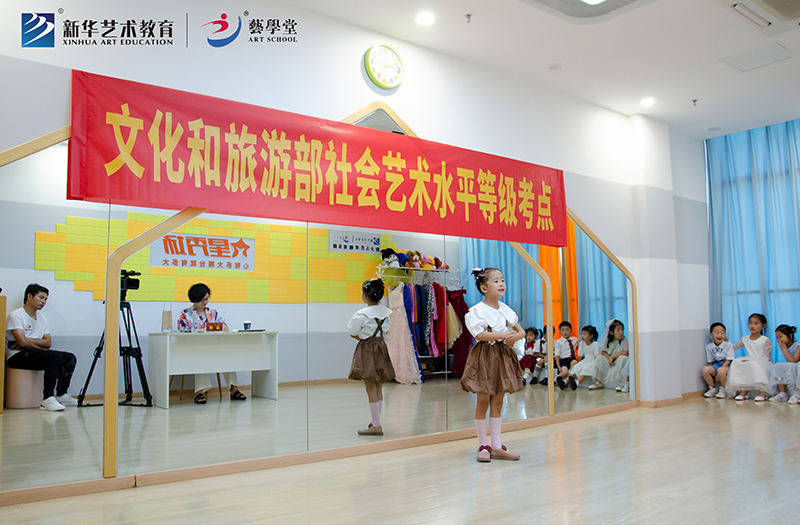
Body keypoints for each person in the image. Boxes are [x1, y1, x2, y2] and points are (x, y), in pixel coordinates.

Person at [461, 268, 525, 462]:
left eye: (502, 280)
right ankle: (483, 445)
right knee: (483, 400)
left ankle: (496, 446)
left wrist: (516, 336)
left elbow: (521, 331)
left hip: (502, 356)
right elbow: (480, 335)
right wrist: (505, 335)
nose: (501, 284)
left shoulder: (505, 309)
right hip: (486, 356)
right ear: (483, 288)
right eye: (496, 281)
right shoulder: (477, 311)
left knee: (498, 400)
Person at [5, 284, 78, 411]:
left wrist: (29, 341)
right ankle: (48, 398)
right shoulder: (16, 315)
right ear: (29, 296)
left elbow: (48, 343)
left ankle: (61, 394)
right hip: (16, 356)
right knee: (54, 357)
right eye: (41, 297)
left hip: (33, 353)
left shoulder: (42, 319)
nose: (43, 302)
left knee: (69, 358)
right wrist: (34, 345)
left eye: (45, 299)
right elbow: (22, 343)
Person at [177, 283, 246, 404]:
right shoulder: (186, 313)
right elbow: (181, 331)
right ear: (194, 299)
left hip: (214, 347)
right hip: (195, 348)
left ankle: (234, 390)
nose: (205, 302)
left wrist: (217, 327)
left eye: (207, 299)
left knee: (228, 356)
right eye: (202, 300)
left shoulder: (212, 312)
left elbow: (225, 327)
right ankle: (199, 392)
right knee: (201, 356)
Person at [347, 278, 395, 436]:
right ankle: (375, 421)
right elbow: (386, 331)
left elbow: (352, 331)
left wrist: (361, 334)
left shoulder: (361, 314)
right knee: (378, 385)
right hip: (381, 347)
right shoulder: (386, 314)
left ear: (365, 295)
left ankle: (376, 425)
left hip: (367, 349)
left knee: (370, 387)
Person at [726, 313, 773, 401]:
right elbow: (734, 347)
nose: (752, 326)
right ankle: (743, 390)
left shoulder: (765, 340)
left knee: (753, 364)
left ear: (763, 326)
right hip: (749, 359)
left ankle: (762, 392)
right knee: (736, 362)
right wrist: (725, 341)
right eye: (750, 323)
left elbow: (767, 357)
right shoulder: (745, 338)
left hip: (761, 361)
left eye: (756, 323)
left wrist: (753, 361)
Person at [590, 319, 629, 391]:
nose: (621, 332)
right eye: (618, 330)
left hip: (619, 360)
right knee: (599, 358)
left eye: (622, 330)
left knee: (622, 358)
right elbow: (603, 352)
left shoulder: (625, 340)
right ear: (611, 332)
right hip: (611, 362)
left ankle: (621, 383)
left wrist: (613, 356)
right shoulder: (608, 340)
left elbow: (626, 352)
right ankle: (599, 382)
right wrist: (610, 357)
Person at [768, 324, 800, 403]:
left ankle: (796, 394)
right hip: (791, 364)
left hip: (797, 365)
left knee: (792, 367)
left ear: (790, 336)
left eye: (781, 337)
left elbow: (794, 361)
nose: (779, 340)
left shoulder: (797, 346)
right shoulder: (785, 347)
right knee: (778, 366)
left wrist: (784, 349)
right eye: (777, 337)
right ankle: (782, 392)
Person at [702, 322, 734, 399]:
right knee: (705, 369)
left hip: (727, 364)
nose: (720, 335)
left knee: (721, 371)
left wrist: (719, 371)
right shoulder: (709, 347)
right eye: (717, 333)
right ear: (711, 335)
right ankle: (712, 388)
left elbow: (729, 360)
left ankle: (723, 389)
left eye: (722, 333)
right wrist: (711, 371)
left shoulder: (729, 345)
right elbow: (710, 362)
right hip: (716, 364)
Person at [569, 325, 600, 390]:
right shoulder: (581, 344)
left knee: (585, 370)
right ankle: (569, 379)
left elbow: (597, 355)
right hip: (585, 360)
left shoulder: (595, 344)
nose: (582, 336)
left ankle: (577, 383)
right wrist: (578, 363)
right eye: (582, 334)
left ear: (591, 336)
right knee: (576, 367)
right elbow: (580, 355)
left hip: (592, 361)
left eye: (585, 334)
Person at [553, 321, 578, 390]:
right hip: (563, 360)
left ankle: (565, 381)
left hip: (572, 359)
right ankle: (559, 378)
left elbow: (579, 349)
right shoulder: (558, 342)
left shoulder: (575, 340)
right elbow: (557, 355)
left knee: (574, 363)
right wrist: (558, 366)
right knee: (565, 372)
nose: (565, 332)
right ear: (560, 332)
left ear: (571, 331)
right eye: (563, 330)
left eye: (567, 330)